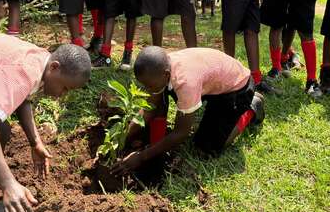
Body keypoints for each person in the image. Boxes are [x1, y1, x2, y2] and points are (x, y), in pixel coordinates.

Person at [0, 26, 91, 212]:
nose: (62, 94)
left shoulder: (41, 59)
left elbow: (22, 97)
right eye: (64, 87)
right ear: (55, 67)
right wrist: (9, 184)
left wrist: (35, 141)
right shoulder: (25, 69)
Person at [111, 46, 264, 175]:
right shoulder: (161, 68)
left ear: (165, 74)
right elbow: (150, 108)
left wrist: (141, 156)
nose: (146, 89)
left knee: (206, 148)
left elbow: (181, 133)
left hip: (237, 87)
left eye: (149, 85)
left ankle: (250, 109)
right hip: (213, 82)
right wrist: (124, 137)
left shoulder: (185, 83)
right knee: (159, 97)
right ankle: (158, 137)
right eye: (144, 85)